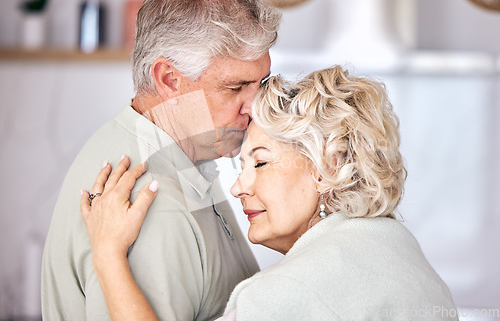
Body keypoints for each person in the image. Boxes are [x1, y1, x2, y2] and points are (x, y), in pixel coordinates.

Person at [80, 66, 458, 320]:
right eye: (241, 167)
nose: (238, 187)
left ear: (330, 163)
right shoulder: (397, 247)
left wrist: (108, 254)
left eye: (259, 163)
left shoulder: (279, 297)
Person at [42, 0, 281, 320]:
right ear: (168, 79)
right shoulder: (150, 203)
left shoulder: (193, 149)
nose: (255, 107)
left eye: (260, 84)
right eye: (235, 88)